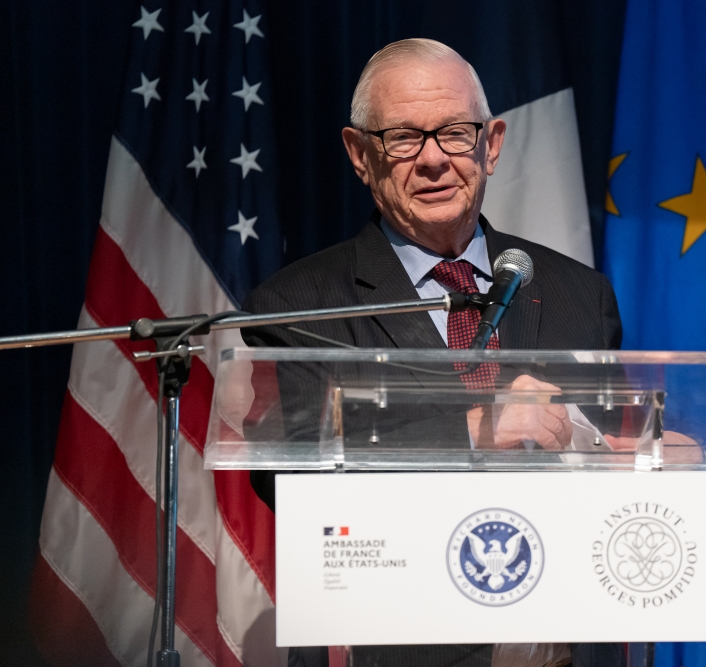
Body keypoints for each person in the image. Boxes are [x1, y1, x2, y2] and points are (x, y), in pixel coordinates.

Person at [241, 38, 626, 667]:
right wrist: (473, 430)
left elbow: (610, 458)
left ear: (491, 145)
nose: (432, 160)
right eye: (402, 138)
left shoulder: (581, 295)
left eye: (453, 133)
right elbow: (295, 478)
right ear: (360, 155)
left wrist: (654, 461)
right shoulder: (300, 307)